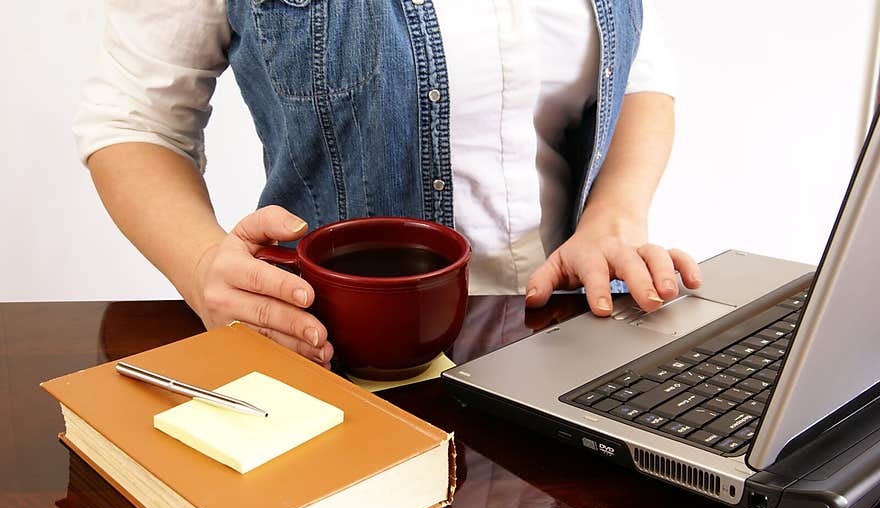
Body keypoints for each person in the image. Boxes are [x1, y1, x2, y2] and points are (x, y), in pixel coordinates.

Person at [74, 0, 702, 369]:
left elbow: (641, 68)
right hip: (337, 355)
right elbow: (135, 118)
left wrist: (613, 220)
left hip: (575, 338)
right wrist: (201, 264)